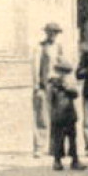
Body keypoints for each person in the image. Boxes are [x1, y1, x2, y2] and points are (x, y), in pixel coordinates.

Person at [32, 23, 70, 157]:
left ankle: (54, 147)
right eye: (50, 32)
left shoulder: (60, 48)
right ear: (46, 33)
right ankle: (39, 146)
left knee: (57, 117)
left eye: (55, 32)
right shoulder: (40, 47)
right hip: (45, 84)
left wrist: (65, 82)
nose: (52, 35)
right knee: (41, 117)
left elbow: (65, 66)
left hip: (57, 85)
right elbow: (36, 67)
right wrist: (37, 85)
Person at [48, 63, 87, 171]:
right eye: (61, 72)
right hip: (58, 115)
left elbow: (75, 94)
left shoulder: (68, 84)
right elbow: (50, 99)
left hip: (69, 114)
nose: (63, 75)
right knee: (58, 139)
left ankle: (74, 160)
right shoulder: (52, 84)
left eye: (65, 73)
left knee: (72, 138)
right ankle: (57, 161)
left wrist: (66, 87)